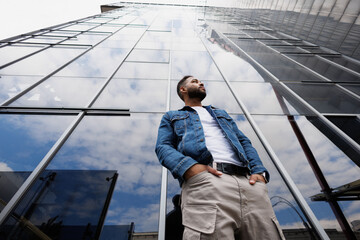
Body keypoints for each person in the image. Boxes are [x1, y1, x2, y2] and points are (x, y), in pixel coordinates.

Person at [155, 75, 285, 240]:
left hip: (250, 184)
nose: (201, 82)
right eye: (194, 81)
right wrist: (190, 168)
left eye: (201, 81)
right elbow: (163, 147)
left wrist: (259, 171)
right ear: (183, 89)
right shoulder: (171, 116)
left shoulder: (220, 113)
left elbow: (244, 142)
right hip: (207, 183)